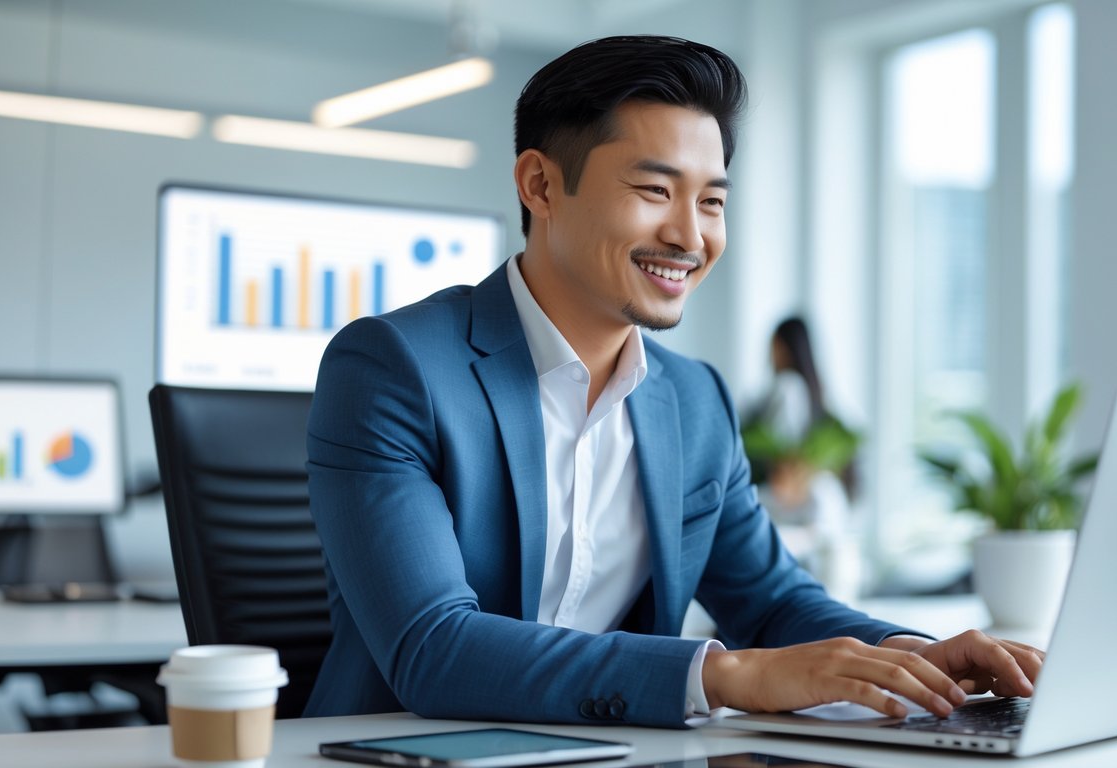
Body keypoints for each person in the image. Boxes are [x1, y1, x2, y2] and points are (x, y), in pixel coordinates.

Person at [304, 34, 1041, 728]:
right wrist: (724, 677)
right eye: (655, 191)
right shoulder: (393, 368)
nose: (690, 237)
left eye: (712, 201)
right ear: (540, 184)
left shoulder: (693, 400)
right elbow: (433, 649)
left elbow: (773, 604)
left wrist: (914, 656)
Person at [744, 317, 858, 598]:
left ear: (781, 347)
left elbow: (780, 449)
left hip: (788, 505)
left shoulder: (786, 388)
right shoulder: (819, 398)